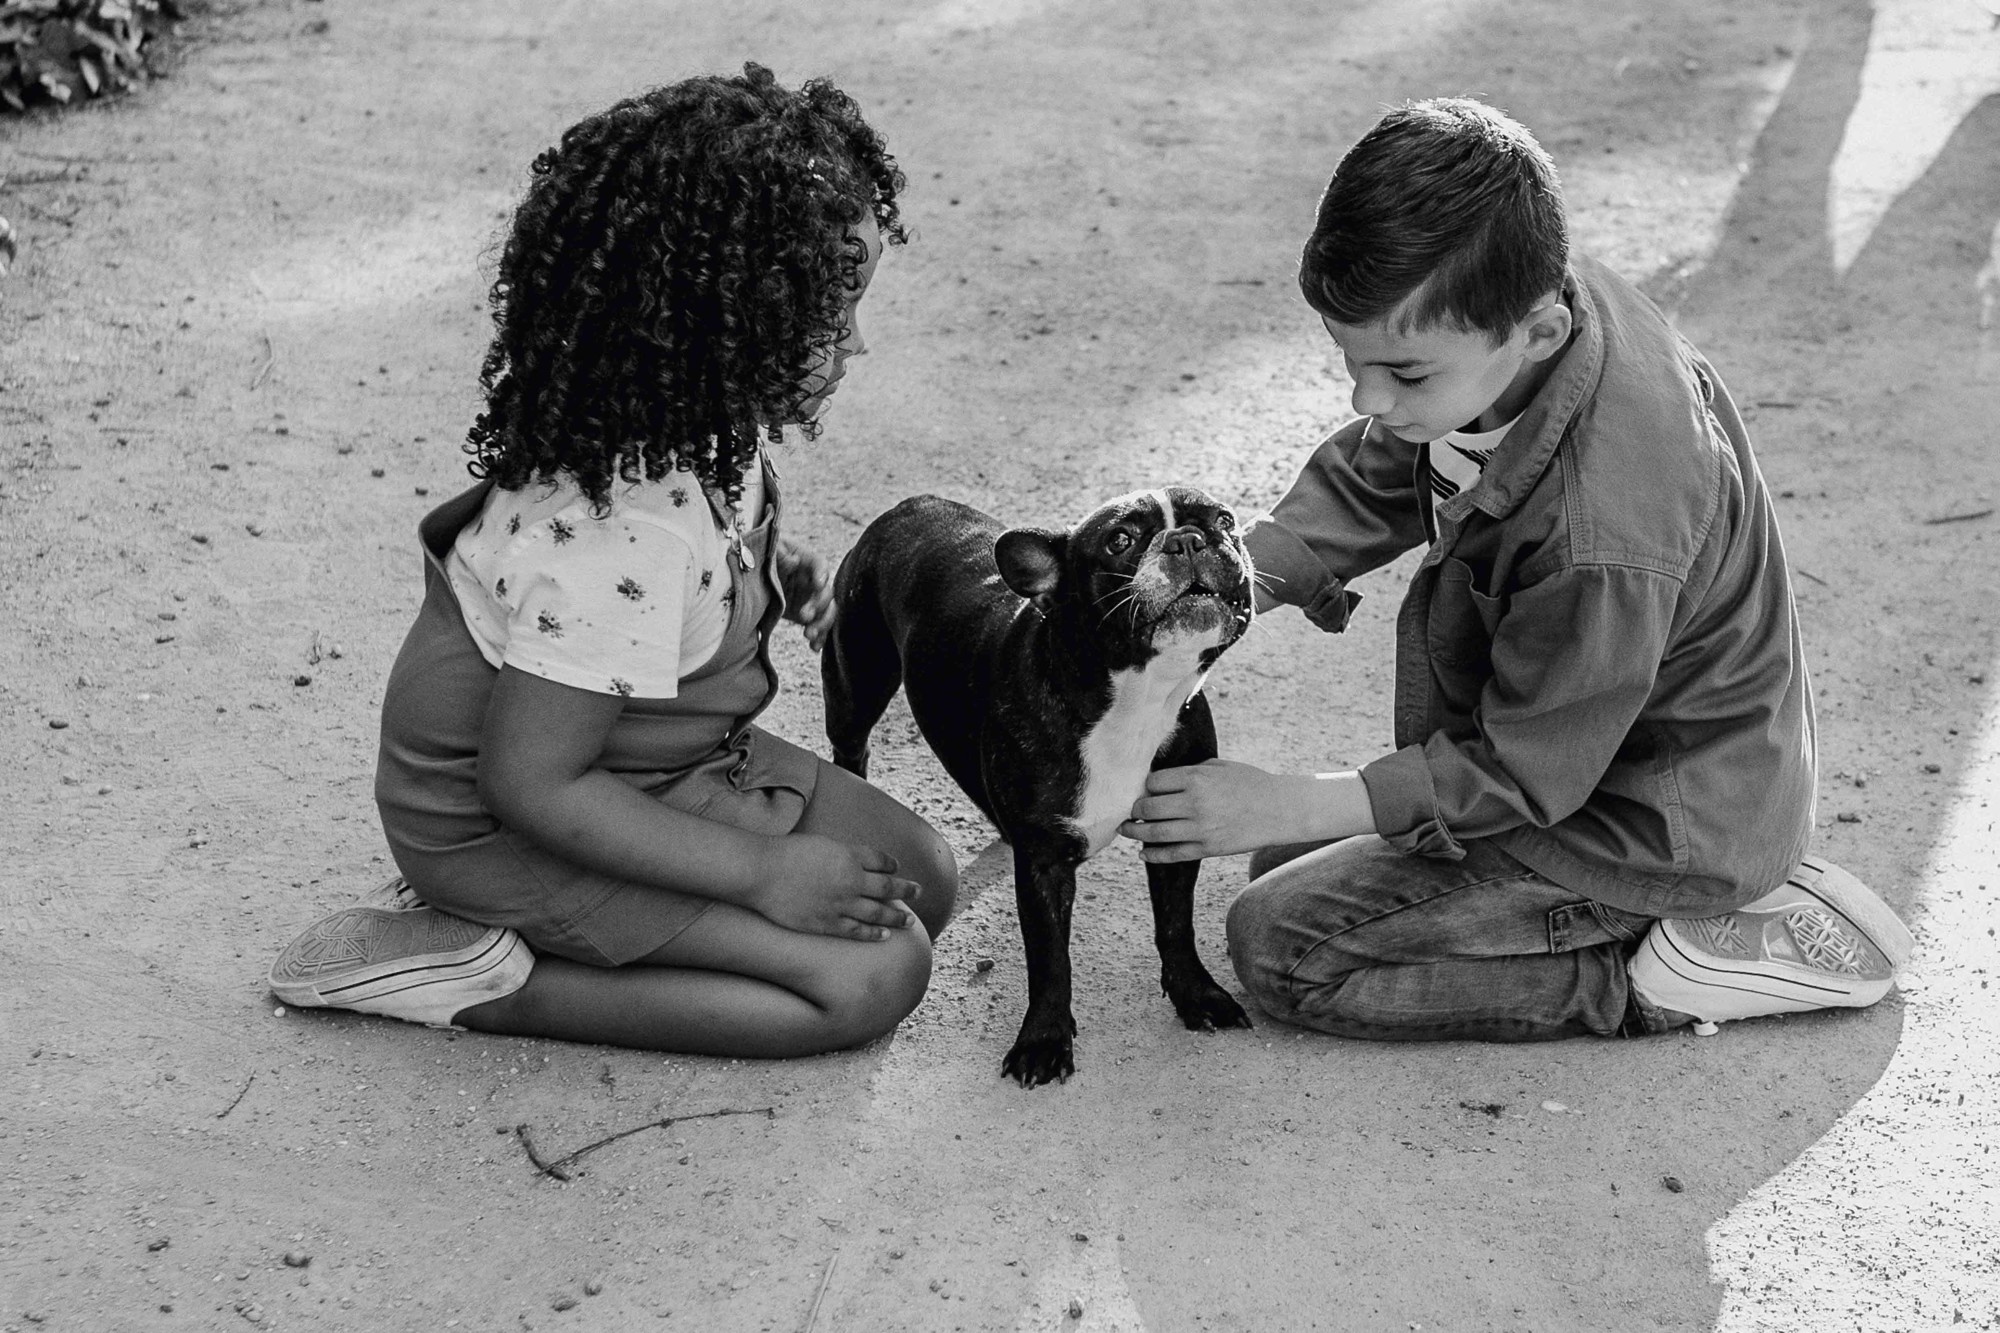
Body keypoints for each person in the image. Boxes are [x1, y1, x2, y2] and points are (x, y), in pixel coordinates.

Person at [1120, 97, 1911, 1041]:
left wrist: (1291, 795)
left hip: (1642, 825)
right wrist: (1237, 576)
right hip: (1608, 753)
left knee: (1281, 943)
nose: (1366, 398)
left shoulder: (1603, 529)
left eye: (1402, 375)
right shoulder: (1530, 299)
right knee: (1278, 854)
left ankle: (1666, 970)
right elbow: (1397, 453)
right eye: (1351, 359)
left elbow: (1526, 773)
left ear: (1534, 329)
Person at [267, 65, 958, 1056]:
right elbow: (531, 784)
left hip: (649, 758)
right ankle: (486, 978)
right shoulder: (612, 529)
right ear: (719, 325)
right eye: (826, 318)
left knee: (919, 876)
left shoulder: (694, 426)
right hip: (511, 825)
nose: (856, 346)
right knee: (875, 971)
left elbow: (699, 561)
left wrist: (769, 576)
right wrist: (759, 875)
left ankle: (627, 929)